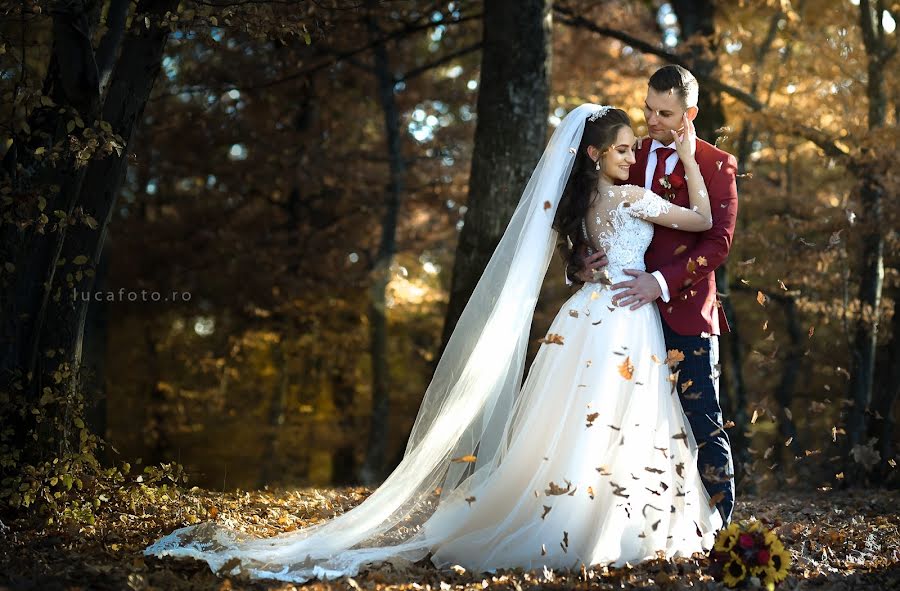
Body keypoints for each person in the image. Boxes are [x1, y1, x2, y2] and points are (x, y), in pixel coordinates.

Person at [144, 104, 723, 583]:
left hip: (589, 316)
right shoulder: (627, 199)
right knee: (614, 421)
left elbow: (577, 262)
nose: (632, 156)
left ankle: (588, 514)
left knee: (582, 426)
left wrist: (581, 267)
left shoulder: (582, 206)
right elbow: (701, 219)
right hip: (623, 317)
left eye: (631, 148)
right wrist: (693, 160)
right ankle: (603, 521)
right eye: (622, 149)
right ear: (595, 154)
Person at [567, 65, 737, 525]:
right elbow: (591, 214)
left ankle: (720, 533)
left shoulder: (717, 165)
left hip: (684, 311)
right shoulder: (626, 153)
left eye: (664, 112)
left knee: (701, 421)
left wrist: (658, 282)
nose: (652, 120)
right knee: (623, 422)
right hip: (622, 314)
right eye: (648, 108)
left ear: (690, 113)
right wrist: (578, 263)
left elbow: (718, 240)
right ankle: (627, 523)